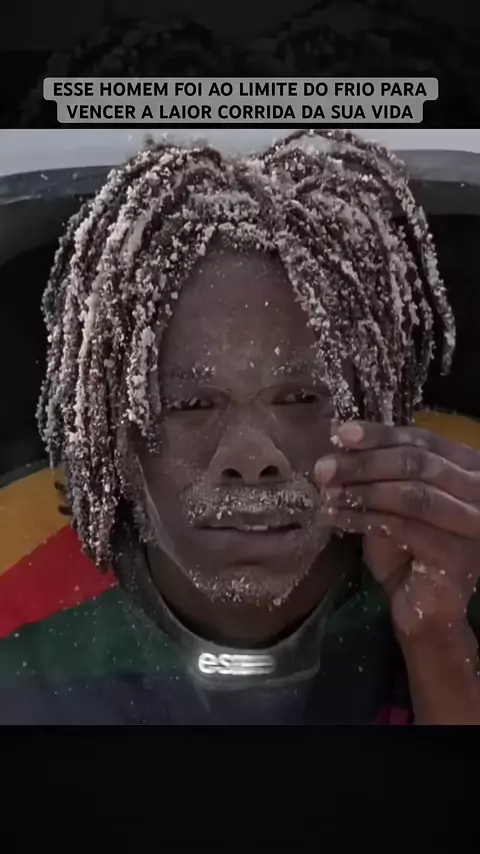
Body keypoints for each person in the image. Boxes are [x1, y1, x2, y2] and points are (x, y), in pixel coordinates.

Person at [1, 129, 479, 725]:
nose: (253, 457)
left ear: (372, 409)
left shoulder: (460, 528)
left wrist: (437, 635)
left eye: (302, 397)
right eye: (191, 404)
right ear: (113, 440)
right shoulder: (12, 575)